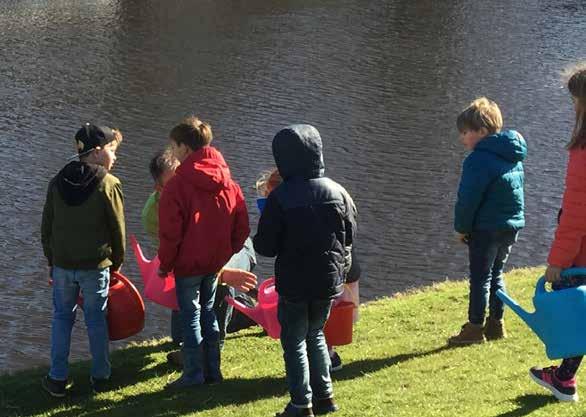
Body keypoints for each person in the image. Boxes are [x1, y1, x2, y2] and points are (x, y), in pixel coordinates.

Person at [254, 124, 356, 417]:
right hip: (328, 281)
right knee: (316, 334)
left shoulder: (281, 197)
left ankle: (301, 403)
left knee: (295, 340)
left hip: (295, 282)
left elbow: (267, 247)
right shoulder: (339, 192)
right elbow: (349, 236)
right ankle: (325, 397)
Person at [157, 116, 250, 389]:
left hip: (188, 265)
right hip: (214, 263)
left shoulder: (177, 186)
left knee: (191, 315)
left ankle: (193, 374)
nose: (172, 153)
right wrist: (226, 253)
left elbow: (170, 233)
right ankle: (213, 371)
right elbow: (242, 225)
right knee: (208, 311)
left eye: (174, 147)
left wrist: (166, 263)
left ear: (185, 148)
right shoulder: (228, 182)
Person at [41, 123, 125, 397]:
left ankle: (56, 378)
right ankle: (100, 376)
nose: (115, 156)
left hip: (63, 266)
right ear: (98, 151)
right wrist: (117, 263)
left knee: (62, 319)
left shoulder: (57, 180)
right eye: (113, 150)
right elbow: (117, 230)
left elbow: (47, 225)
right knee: (96, 320)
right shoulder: (108, 184)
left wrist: (51, 259)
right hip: (95, 266)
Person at [255, 168, 361, 372]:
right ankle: (327, 361)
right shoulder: (327, 197)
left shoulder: (297, 213)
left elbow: (268, 246)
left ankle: (324, 363)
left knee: (324, 320)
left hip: (334, 273)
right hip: (340, 268)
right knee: (325, 319)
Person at [529, 63, 586, 403]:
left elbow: (576, 215)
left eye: (575, 100)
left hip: (581, 254)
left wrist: (557, 262)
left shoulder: (582, 153)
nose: (573, 107)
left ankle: (564, 380)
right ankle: (564, 377)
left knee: (575, 312)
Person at [449, 97, 527, 346]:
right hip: (510, 225)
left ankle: (474, 328)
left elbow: (468, 199)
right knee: (497, 274)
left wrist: (461, 229)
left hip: (486, 228)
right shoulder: (512, 155)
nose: (462, 139)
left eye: (465, 133)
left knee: (480, 277)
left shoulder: (477, 160)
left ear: (481, 132)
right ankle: (496, 324)